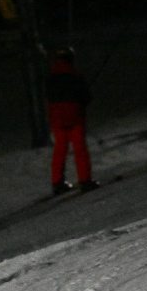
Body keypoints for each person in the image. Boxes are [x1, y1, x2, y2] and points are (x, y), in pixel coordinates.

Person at [45, 48, 98, 195]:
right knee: (79, 149)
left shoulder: (51, 78)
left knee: (60, 149)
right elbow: (86, 97)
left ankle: (57, 182)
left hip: (57, 118)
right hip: (75, 116)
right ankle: (85, 180)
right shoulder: (76, 76)